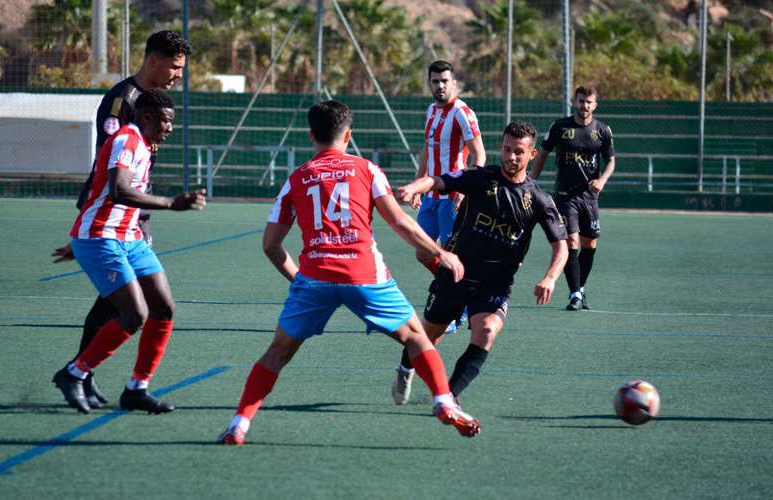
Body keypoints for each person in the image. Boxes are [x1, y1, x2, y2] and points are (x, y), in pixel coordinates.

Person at [217, 100, 481, 446]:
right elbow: (400, 222)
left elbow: (270, 245)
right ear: (348, 134)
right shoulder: (367, 170)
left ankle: (240, 424)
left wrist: (299, 280)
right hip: (364, 275)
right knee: (416, 337)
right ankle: (444, 402)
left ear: (311, 135)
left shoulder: (297, 177)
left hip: (315, 277)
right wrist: (440, 252)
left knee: (277, 352)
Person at [52, 30, 192, 409]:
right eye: (175, 67)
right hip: (114, 214)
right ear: (152, 60)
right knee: (120, 306)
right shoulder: (123, 101)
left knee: (134, 305)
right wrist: (95, 227)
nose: (179, 75)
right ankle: (80, 374)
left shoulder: (152, 103)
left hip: (130, 217)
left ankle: (96, 377)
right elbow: (112, 173)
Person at [390, 121, 568, 405]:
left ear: (532, 155)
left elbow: (561, 246)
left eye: (519, 152)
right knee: (427, 336)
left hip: (495, 283)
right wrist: (414, 187)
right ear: (501, 147)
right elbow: (438, 180)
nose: (511, 157)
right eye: (507, 149)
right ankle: (405, 368)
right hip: (457, 273)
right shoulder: (480, 178)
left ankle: (448, 397)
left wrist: (551, 277)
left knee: (486, 332)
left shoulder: (539, 199)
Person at [530, 85, 616, 311]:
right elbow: (543, 153)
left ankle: (580, 288)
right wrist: (531, 181)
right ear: (574, 102)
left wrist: (602, 181)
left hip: (589, 198)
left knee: (590, 243)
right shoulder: (560, 127)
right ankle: (575, 293)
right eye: (580, 101)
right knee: (572, 242)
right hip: (565, 197)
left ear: (595, 105)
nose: (584, 106)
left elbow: (611, 161)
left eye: (589, 102)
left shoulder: (603, 130)